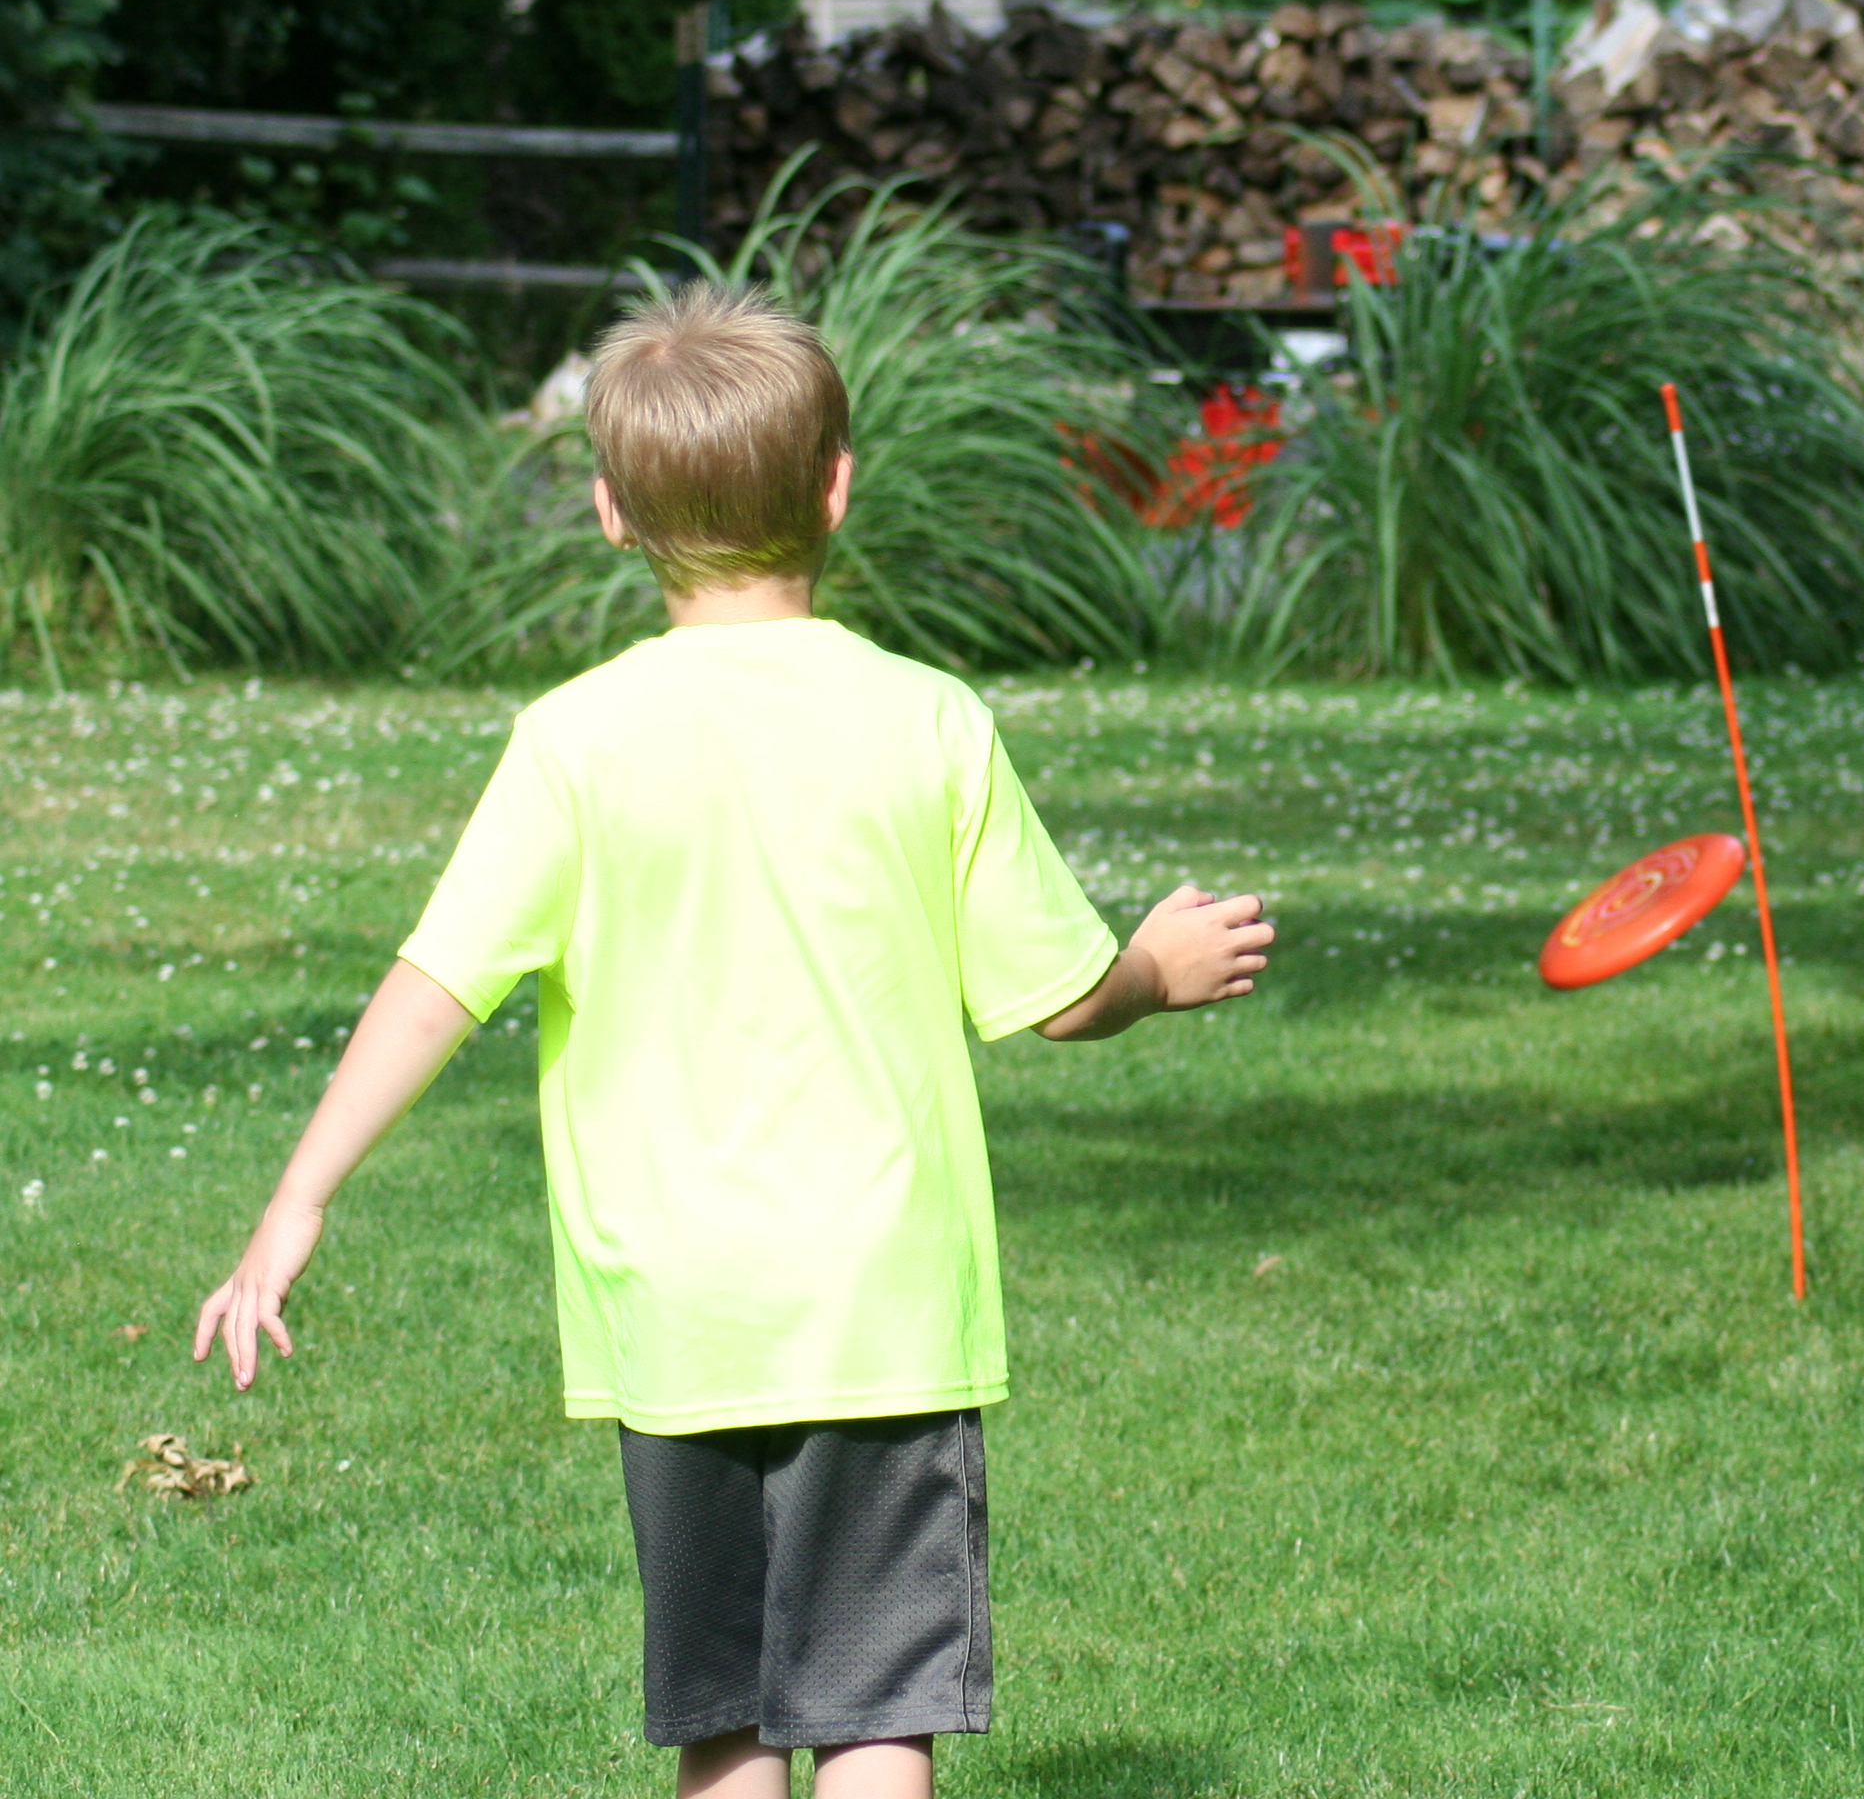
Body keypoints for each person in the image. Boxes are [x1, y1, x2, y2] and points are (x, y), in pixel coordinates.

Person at [190, 283, 1271, 1799]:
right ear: (838, 485)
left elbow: (439, 981)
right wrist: (1153, 965)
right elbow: (1055, 993)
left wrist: (298, 1198)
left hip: (678, 1308)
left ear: (611, 512)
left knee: (727, 1714)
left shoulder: (575, 738)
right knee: (879, 1706)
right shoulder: (927, 719)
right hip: (880, 1302)